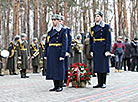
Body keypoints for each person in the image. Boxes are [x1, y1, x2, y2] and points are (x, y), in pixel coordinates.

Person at [44, 14, 67, 92]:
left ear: (58, 21)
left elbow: (64, 43)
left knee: (59, 69)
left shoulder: (63, 30)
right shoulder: (50, 31)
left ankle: (60, 85)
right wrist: (45, 54)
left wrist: (62, 54)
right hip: (51, 51)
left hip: (58, 51)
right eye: (53, 20)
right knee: (53, 69)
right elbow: (46, 43)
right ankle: (55, 85)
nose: (54, 21)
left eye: (55, 20)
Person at [89, 11, 111, 88]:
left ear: (101, 17)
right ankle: (99, 82)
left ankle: (103, 82)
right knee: (97, 65)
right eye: (95, 16)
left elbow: (108, 39)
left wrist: (108, 50)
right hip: (96, 47)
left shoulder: (106, 26)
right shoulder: (92, 27)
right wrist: (91, 50)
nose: (96, 18)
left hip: (103, 47)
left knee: (103, 65)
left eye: (98, 16)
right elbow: (91, 40)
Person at [59, 15, 72, 87]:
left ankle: (65, 80)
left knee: (65, 66)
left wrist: (68, 51)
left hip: (65, 50)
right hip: (59, 50)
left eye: (60, 21)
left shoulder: (66, 29)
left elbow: (69, 41)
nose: (59, 22)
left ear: (63, 21)